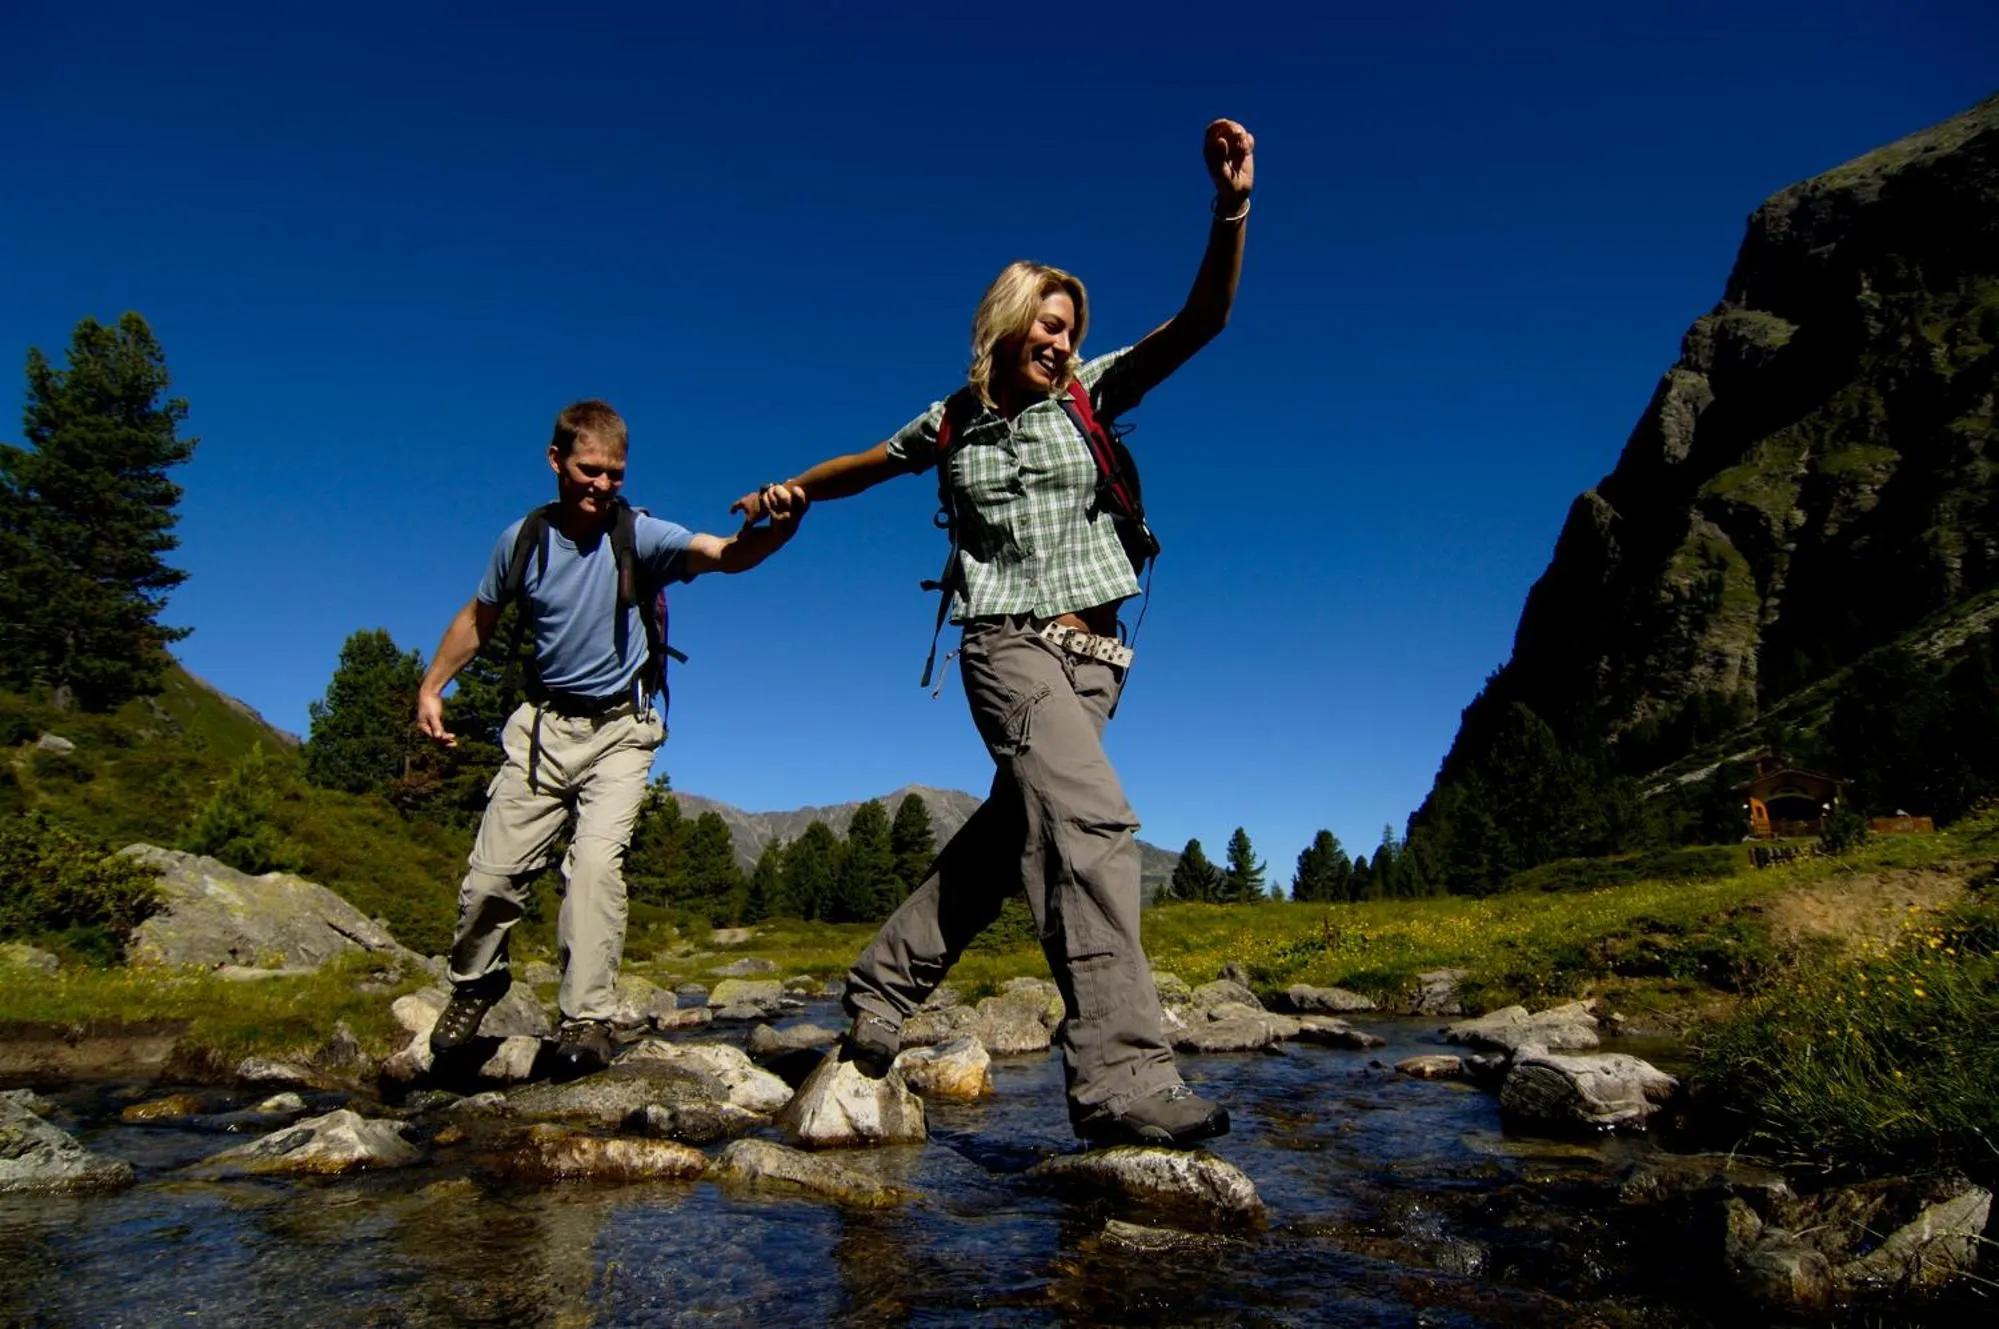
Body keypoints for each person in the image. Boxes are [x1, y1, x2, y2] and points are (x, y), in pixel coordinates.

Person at [732, 119, 1254, 1146]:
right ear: (1005, 324)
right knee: (1094, 825)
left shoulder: (1094, 393)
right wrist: (793, 490)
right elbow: (871, 461)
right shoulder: (954, 420)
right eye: (1044, 322)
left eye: (1069, 324)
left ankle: (877, 1001)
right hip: (1003, 644)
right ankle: (1121, 1078)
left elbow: (1201, 321)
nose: (1059, 338)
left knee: (1014, 837)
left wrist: (1230, 204)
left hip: (1097, 659)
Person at [418, 399, 807, 1079]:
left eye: (614, 474)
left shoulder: (641, 535)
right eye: (589, 470)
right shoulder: (523, 540)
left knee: (594, 867)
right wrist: (431, 688)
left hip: (621, 732)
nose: (602, 484)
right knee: (488, 882)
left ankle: (586, 1017)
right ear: (555, 461)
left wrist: (778, 528)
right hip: (540, 728)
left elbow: (724, 554)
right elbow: (478, 618)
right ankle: (477, 982)